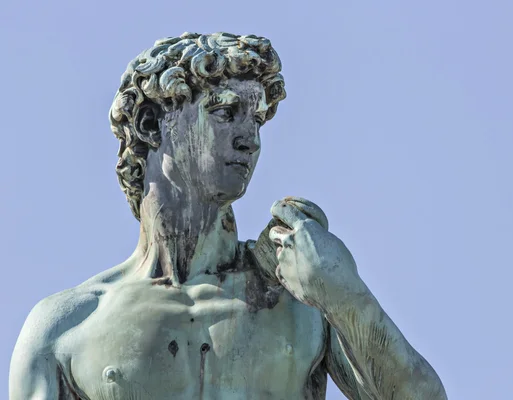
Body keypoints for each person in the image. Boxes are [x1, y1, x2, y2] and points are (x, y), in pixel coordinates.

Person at [9, 32, 447, 399]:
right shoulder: (65, 328)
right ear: (149, 124)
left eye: (256, 120)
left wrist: (348, 300)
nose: (250, 139)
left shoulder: (302, 297)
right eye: (224, 112)